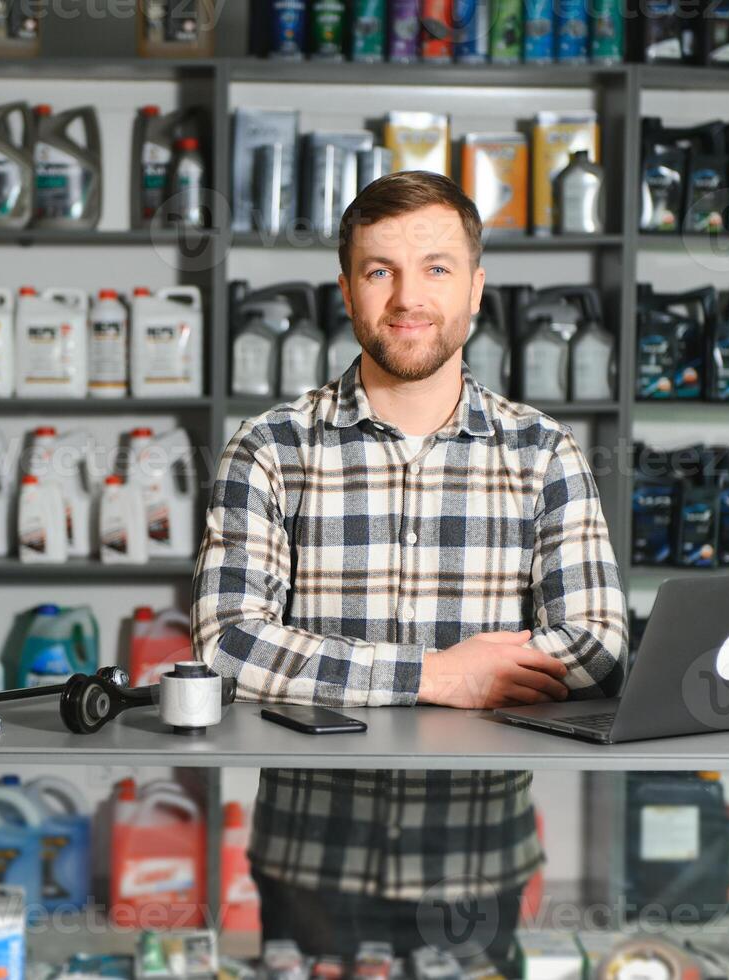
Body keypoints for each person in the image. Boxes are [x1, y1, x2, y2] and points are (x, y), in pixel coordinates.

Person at [190, 170, 628, 959]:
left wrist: (474, 672)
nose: (406, 298)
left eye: (435, 268)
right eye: (378, 270)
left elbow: (596, 641)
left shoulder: (543, 453)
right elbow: (227, 645)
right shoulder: (269, 448)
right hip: (310, 860)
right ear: (347, 291)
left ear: (476, 288)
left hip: (477, 860)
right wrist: (433, 675)